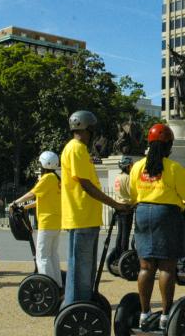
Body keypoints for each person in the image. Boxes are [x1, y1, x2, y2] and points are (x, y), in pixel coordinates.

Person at [129, 124, 185, 331]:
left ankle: (144, 313)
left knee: (146, 267)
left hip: (142, 213)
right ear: (168, 145)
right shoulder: (174, 168)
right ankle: (166, 315)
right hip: (166, 214)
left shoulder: (138, 167)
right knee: (167, 267)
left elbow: (133, 194)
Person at [61, 111, 129, 307]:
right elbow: (86, 184)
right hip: (81, 215)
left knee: (84, 268)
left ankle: (81, 306)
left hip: (84, 216)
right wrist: (115, 204)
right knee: (81, 270)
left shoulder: (75, 149)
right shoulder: (77, 149)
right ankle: (76, 308)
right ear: (88, 129)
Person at [10, 151, 63, 287]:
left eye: (40, 163)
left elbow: (32, 193)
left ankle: (47, 285)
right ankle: (57, 284)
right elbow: (41, 199)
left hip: (47, 222)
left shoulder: (47, 178)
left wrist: (15, 202)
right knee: (52, 255)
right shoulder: (57, 179)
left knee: (42, 256)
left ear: (45, 163)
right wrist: (26, 207)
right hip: (56, 221)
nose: (39, 166)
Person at [113, 157, 136, 257]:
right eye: (131, 165)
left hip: (118, 206)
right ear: (127, 167)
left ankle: (118, 252)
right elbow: (131, 193)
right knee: (125, 234)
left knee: (120, 232)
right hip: (127, 207)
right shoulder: (128, 178)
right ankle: (124, 253)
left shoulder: (118, 177)